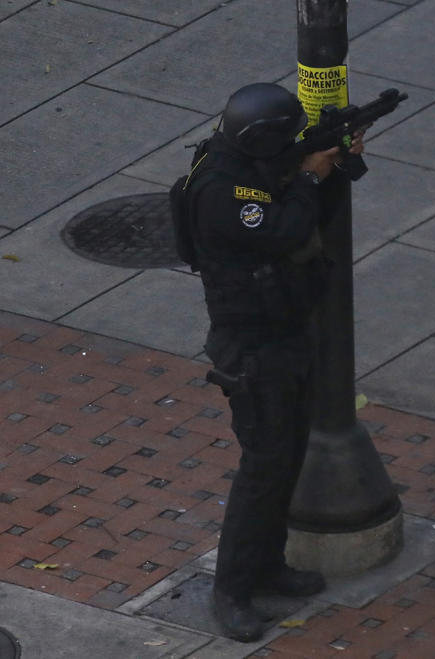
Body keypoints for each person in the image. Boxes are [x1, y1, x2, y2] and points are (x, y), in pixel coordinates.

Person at [173, 82, 364, 642]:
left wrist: (334, 164)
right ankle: (231, 590)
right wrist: (309, 175)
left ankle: (269, 564)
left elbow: (311, 209)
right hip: (251, 347)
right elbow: (285, 227)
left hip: (284, 333)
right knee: (263, 467)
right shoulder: (219, 188)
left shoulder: (255, 161)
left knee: (288, 455)